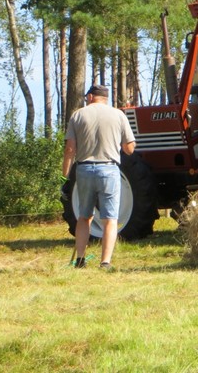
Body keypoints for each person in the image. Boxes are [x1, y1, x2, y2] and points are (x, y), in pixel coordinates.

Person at [62, 84, 136, 269]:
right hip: (109, 170)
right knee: (110, 218)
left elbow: (70, 149)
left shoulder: (78, 115)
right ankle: (105, 262)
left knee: (84, 217)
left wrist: (65, 177)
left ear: (90, 97)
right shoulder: (118, 115)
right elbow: (129, 148)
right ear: (105, 98)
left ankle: (80, 259)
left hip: (84, 169)